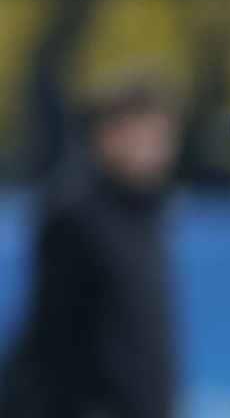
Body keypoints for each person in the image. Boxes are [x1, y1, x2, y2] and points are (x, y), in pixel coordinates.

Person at [0, 83, 179, 418]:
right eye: (140, 136)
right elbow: (58, 343)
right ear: (105, 135)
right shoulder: (74, 216)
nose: (154, 150)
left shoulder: (146, 213)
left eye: (160, 138)